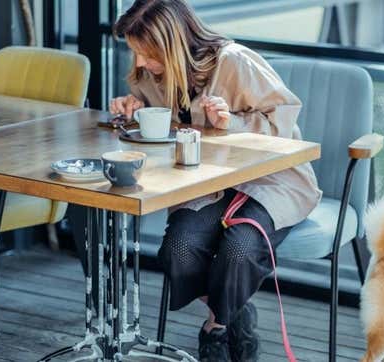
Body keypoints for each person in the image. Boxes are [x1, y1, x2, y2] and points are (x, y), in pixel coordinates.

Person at [110, 1, 322, 361]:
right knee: (178, 250)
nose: (141, 64)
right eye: (137, 54)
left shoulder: (235, 61)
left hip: (268, 182)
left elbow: (284, 120)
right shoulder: (149, 76)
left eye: (148, 54)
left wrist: (232, 124)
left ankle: (215, 331)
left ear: (173, 45)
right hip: (206, 187)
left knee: (239, 250)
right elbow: (160, 130)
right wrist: (131, 111)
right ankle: (233, 313)